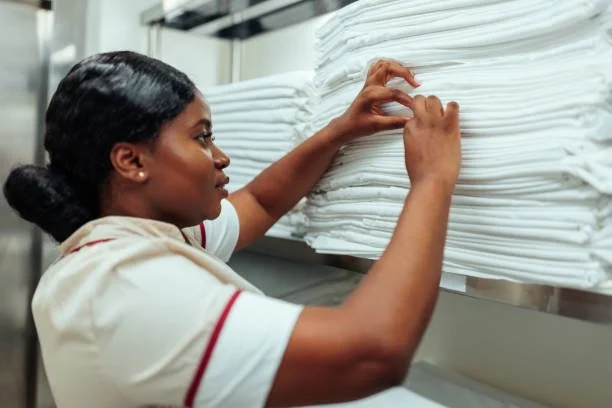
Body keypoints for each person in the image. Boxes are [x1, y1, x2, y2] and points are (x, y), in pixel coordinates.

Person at [3, 51, 461, 408]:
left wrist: (340, 131)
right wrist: (432, 180)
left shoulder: (140, 239)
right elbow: (371, 353)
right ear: (132, 161)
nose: (220, 156)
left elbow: (259, 202)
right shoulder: (123, 285)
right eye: (201, 136)